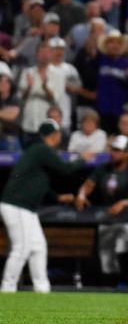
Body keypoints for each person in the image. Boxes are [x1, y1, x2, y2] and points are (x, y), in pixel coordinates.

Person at [0, 120, 89, 293]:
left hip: (25, 208)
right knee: (21, 249)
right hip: (17, 205)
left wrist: (57, 197)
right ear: (54, 135)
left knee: (38, 247)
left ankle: (42, 290)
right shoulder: (41, 149)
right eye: (58, 134)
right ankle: (7, 289)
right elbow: (66, 169)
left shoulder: (36, 151)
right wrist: (82, 159)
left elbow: (38, 183)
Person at [74, 135, 128, 288]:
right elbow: (88, 185)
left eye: (118, 150)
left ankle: (127, 285)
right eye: (113, 149)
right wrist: (81, 195)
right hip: (106, 218)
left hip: (125, 221)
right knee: (106, 259)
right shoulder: (103, 168)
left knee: (123, 251)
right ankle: (110, 289)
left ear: (127, 153)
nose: (113, 153)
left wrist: (123, 203)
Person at [18, 40, 67, 147]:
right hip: (28, 124)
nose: (44, 56)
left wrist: (45, 87)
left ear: (51, 54)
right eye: (41, 53)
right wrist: (29, 87)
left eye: (47, 52)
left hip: (47, 127)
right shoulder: (28, 72)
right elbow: (21, 98)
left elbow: (56, 99)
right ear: (36, 55)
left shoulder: (58, 74)